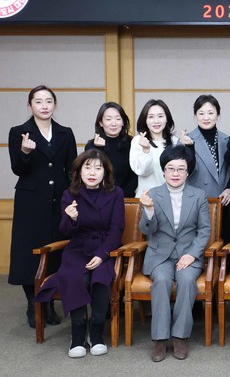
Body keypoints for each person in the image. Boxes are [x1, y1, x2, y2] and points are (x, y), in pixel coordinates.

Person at [35, 149, 125, 358]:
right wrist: (71, 218)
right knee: (73, 277)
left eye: (98, 168)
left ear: (105, 172)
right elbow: (65, 231)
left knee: (100, 278)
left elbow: (117, 229)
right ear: (79, 171)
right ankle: (77, 334)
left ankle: (96, 332)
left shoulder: (116, 193)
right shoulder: (70, 194)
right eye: (88, 167)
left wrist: (102, 254)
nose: (92, 172)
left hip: (104, 247)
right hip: (77, 248)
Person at [8, 85, 77, 328]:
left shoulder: (65, 133)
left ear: (55, 105)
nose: (44, 105)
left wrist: (73, 198)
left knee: (56, 251)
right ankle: (32, 303)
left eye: (49, 101)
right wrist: (25, 152)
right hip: (30, 202)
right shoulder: (19, 132)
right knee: (29, 252)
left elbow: (72, 170)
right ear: (30, 106)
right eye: (38, 101)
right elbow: (18, 169)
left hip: (59, 200)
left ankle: (48, 301)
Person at [139, 145, 210, 362]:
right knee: (161, 281)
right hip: (160, 255)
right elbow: (147, 230)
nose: (176, 173)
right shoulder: (152, 195)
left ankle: (180, 336)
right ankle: (160, 339)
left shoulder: (198, 196)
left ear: (188, 172)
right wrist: (148, 210)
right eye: (171, 168)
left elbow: (204, 230)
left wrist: (192, 254)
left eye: (181, 169)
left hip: (188, 255)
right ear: (164, 171)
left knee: (187, 281)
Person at [180, 95, 230, 204]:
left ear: (217, 115)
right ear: (195, 116)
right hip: (196, 202)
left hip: (223, 201)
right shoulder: (185, 140)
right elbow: (184, 172)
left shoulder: (227, 140)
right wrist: (189, 148)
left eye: (210, 113)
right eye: (201, 113)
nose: (206, 117)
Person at [85, 102, 138, 197]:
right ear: (101, 122)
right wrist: (99, 150)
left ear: (123, 122)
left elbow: (135, 176)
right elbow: (91, 175)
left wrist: (120, 196)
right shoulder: (91, 146)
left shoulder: (132, 144)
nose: (114, 123)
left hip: (125, 197)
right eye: (108, 119)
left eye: (118, 119)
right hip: (99, 198)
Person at [130, 99, 178, 198]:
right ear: (145, 120)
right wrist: (146, 151)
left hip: (171, 199)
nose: (156, 121)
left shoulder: (175, 141)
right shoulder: (138, 141)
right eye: (151, 117)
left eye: (160, 116)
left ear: (167, 118)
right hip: (146, 198)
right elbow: (142, 172)